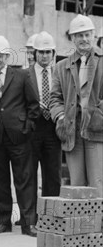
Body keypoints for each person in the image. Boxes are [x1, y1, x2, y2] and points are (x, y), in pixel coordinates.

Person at [0, 35, 39, 237]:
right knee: (0, 181)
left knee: (24, 180)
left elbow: (33, 105)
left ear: (7, 57)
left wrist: (26, 127)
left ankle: (28, 223)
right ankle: (4, 221)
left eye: (1, 56)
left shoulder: (21, 76)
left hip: (19, 137)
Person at [50, 14, 103, 196]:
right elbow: (55, 98)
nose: (84, 39)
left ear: (93, 36)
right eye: (79, 35)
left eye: (87, 34)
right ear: (72, 38)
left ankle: (99, 223)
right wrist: (61, 117)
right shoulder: (61, 66)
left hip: (97, 129)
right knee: (77, 184)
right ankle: (80, 224)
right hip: (71, 129)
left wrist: (98, 113)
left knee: (98, 182)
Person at [26, 31, 61, 202]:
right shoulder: (25, 74)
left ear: (53, 54)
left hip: (53, 129)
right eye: (41, 52)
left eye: (48, 52)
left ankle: (50, 216)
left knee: (53, 174)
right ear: (35, 53)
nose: (45, 55)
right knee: (29, 174)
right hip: (32, 129)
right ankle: (30, 216)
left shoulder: (60, 73)